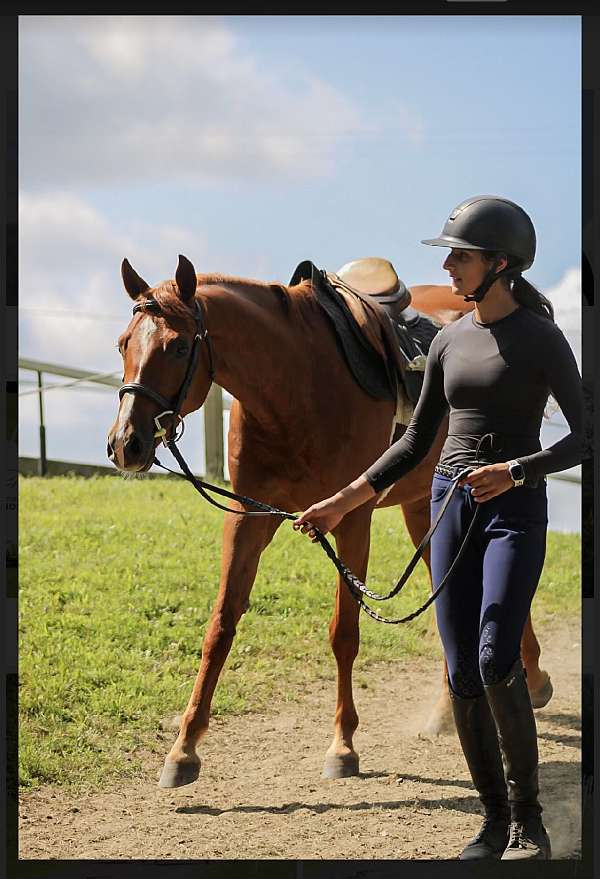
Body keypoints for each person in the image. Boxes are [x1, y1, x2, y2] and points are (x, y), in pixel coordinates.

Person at [293, 195, 583, 861]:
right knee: (458, 671)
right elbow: (414, 441)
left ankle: (528, 822)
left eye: (461, 255)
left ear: (500, 263)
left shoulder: (541, 338)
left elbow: (584, 434)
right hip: (451, 500)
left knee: (492, 656)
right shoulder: (448, 339)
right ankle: (489, 821)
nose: (448, 266)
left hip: (512, 508)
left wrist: (516, 470)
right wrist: (342, 500)